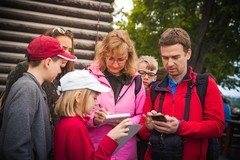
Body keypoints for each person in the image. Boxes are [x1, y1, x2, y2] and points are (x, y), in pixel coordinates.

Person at [138, 28, 224, 160]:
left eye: (175, 57)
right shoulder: (154, 89)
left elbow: (217, 127)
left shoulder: (206, 84)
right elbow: (142, 135)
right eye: (165, 58)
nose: (169, 63)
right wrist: (149, 127)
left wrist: (180, 127)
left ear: (188, 53)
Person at [0, 35, 77, 159]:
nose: (59, 71)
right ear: (47, 62)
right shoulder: (27, 89)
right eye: (58, 64)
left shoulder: (35, 87)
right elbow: (15, 148)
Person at [87, 30, 146, 160]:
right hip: (97, 149)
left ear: (128, 57)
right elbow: (78, 112)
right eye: (111, 58)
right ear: (103, 54)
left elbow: (142, 115)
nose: (115, 64)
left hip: (125, 151)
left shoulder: (136, 81)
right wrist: (95, 119)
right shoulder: (89, 76)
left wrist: (127, 123)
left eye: (120, 60)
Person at [0, 27, 75, 126]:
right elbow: (11, 113)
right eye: (63, 48)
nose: (67, 53)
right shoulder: (24, 70)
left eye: (70, 49)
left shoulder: (64, 75)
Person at [54, 70, 132, 160]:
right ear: (78, 97)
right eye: (94, 97)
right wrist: (111, 138)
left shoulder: (66, 122)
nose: (97, 102)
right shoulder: (76, 127)